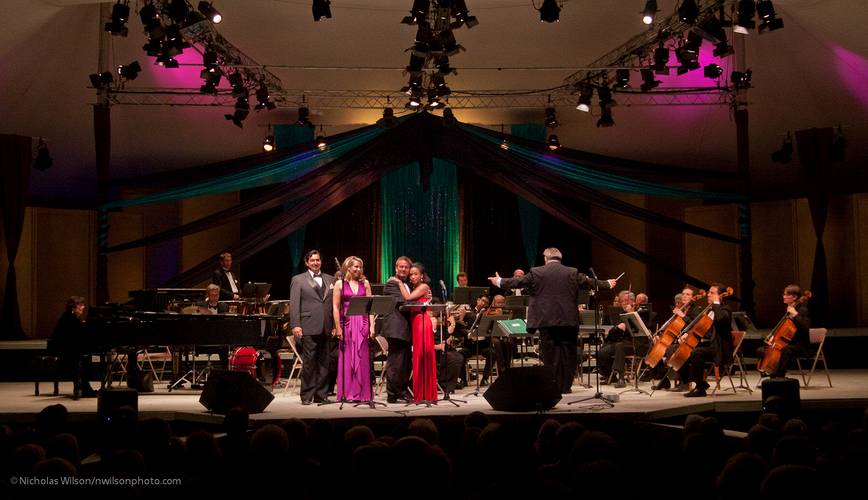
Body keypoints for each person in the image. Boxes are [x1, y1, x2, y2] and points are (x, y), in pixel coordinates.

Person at [490, 247, 617, 394]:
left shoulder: (536, 272)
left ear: (545, 258)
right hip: (568, 321)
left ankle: (553, 385)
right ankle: (565, 386)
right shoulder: (572, 272)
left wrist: (498, 281)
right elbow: (590, 282)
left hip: (547, 321)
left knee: (550, 354)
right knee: (568, 354)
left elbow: (517, 282)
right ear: (560, 258)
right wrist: (607, 283)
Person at [289, 250, 335, 405]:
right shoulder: (298, 279)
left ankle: (321, 395)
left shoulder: (330, 279)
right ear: (306, 263)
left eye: (318, 260)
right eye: (312, 260)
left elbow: (334, 304)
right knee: (309, 362)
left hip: (326, 325)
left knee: (324, 362)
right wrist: (296, 325)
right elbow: (294, 304)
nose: (316, 263)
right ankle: (307, 396)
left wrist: (335, 325)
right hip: (308, 325)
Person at [390, 262, 437, 403]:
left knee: (423, 356)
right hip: (415, 324)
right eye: (411, 274)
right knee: (418, 357)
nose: (412, 276)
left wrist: (398, 282)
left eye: (415, 274)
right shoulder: (415, 288)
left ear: (422, 276)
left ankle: (427, 393)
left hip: (422, 323)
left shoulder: (423, 286)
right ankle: (421, 393)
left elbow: (407, 299)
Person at [332, 256, 376, 402]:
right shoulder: (340, 284)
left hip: (363, 324)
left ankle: (363, 394)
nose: (358, 269)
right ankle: (348, 393)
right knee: (348, 359)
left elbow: (371, 307)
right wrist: (338, 327)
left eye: (360, 267)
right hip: (347, 325)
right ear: (348, 267)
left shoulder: (366, 283)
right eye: (355, 266)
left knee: (363, 359)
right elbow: (336, 307)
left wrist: (372, 326)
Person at [683, 283, 733, 397]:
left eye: (712, 293)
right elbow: (705, 331)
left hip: (720, 349)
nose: (708, 295)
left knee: (696, 353)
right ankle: (700, 383)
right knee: (685, 351)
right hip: (711, 346)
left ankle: (700, 387)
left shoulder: (726, 309)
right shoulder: (709, 310)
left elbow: (720, 319)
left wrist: (716, 303)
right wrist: (688, 334)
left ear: (720, 296)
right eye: (709, 292)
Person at [756, 284, 811, 378]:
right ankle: (768, 372)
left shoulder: (802, 310)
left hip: (800, 346)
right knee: (761, 350)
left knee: (785, 350)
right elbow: (783, 329)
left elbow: (806, 326)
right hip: (787, 343)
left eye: (786, 294)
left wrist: (795, 314)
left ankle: (779, 377)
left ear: (794, 297)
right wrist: (773, 336)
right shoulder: (788, 311)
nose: (783, 296)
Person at [48, 296, 97, 400]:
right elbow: (74, 336)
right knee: (85, 359)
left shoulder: (69, 317)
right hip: (64, 351)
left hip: (66, 348)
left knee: (85, 358)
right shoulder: (70, 318)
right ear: (73, 307)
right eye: (80, 306)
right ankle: (85, 387)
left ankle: (85, 386)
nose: (83, 308)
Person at [381, 256, 414, 403]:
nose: (403, 269)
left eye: (406, 267)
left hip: (405, 329)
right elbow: (403, 302)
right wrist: (420, 301)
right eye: (401, 267)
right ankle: (392, 394)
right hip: (396, 328)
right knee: (396, 363)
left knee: (405, 363)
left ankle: (401, 391)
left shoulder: (407, 284)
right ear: (396, 268)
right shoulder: (391, 284)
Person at [598, 291, 637, 388]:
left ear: (633, 302)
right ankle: (609, 375)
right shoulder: (622, 314)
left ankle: (621, 378)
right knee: (602, 352)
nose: (623, 303)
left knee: (620, 346)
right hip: (622, 344)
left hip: (635, 344)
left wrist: (631, 314)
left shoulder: (641, 312)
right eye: (622, 301)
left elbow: (642, 329)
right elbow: (612, 332)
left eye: (626, 301)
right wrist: (617, 328)